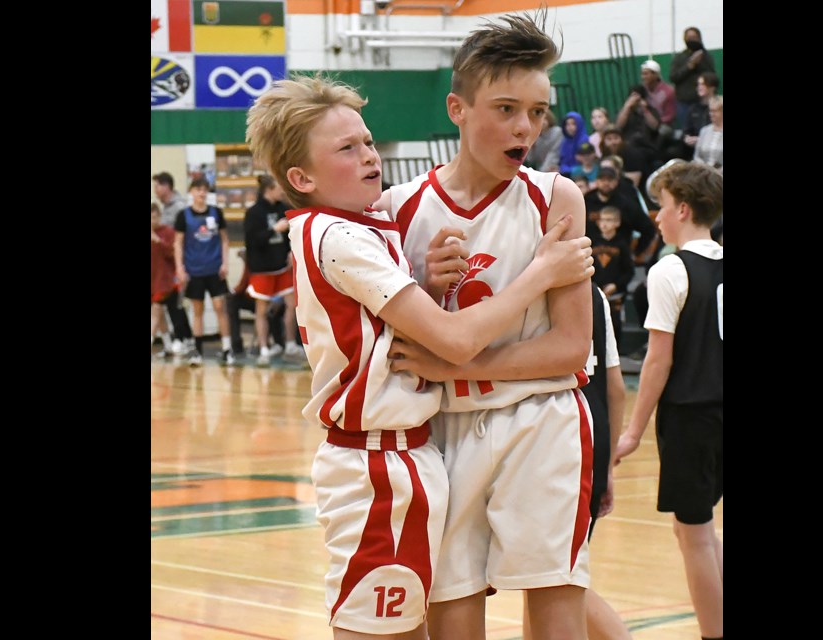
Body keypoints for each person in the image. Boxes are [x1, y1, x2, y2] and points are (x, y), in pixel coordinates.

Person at [244, 72, 595, 639]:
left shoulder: (364, 226)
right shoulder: (341, 235)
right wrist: (542, 273)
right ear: (301, 177)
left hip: (420, 453)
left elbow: (394, 333)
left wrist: (428, 289)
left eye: (368, 141)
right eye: (346, 148)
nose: (368, 155)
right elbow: (452, 342)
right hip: (376, 461)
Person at [379, 11, 609, 639]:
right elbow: (390, 341)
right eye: (506, 108)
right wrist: (426, 287)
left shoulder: (557, 199)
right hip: (441, 434)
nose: (525, 127)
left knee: (557, 604)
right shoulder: (397, 212)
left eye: (537, 112)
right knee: (453, 615)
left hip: (541, 421)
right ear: (457, 107)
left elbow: (569, 349)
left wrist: (457, 364)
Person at [615, 160, 723, 640]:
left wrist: (633, 430)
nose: (655, 217)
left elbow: (657, 362)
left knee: (695, 534)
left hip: (692, 416)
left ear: (681, 208)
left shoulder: (671, 269)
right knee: (693, 532)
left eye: (659, 207)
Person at [523, 283, 631, 640]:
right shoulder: (595, 292)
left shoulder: (526, 283)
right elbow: (615, 387)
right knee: (545, 584)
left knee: (556, 580)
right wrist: (607, 464)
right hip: (593, 437)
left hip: (552, 441)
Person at [242, 174, 305, 366]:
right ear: (269, 189)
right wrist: (274, 230)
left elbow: (293, 235)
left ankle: (290, 345)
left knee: (293, 305)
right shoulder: (254, 213)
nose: (282, 191)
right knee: (261, 310)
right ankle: (263, 349)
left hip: (281, 267)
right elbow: (252, 241)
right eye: (279, 187)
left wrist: (291, 252)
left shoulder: (283, 209)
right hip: (262, 269)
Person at [173, 176, 236, 366]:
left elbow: (225, 239)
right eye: (198, 189)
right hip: (194, 271)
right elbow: (178, 243)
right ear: (191, 192)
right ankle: (197, 352)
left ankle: (227, 349)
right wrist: (180, 268)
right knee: (197, 311)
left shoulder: (216, 212)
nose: (201, 193)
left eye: (204, 190)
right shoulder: (183, 216)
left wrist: (225, 263)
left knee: (220, 308)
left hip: (215, 270)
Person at [153, 171, 194, 352]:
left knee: (175, 302)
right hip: (167, 263)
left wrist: (181, 264)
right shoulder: (165, 207)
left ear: (166, 186)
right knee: (172, 303)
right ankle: (181, 338)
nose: (154, 190)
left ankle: (184, 337)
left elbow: (181, 238)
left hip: (180, 261)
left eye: (156, 186)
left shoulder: (179, 208)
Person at [589, 206, 634, 343]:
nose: (604, 223)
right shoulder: (592, 242)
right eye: (602, 219)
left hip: (615, 295)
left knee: (614, 326)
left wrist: (616, 285)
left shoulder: (622, 245)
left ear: (617, 223)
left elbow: (629, 271)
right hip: (594, 291)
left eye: (609, 220)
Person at [668, 27, 717, 131]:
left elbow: (712, 77)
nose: (691, 40)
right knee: (686, 132)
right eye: (689, 37)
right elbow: (673, 77)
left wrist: (700, 62)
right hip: (684, 102)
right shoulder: (679, 57)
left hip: (703, 102)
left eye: (694, 37)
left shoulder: (706, 56)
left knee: (706, 130)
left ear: (699, 38)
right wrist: (689, 66)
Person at [680, 72, 720, 161]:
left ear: (712, 87)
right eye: (698, 84)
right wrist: (687, 138)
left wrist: (701, 139)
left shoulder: (720, 107)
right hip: (695, 149)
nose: (699, 87)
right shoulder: (693, 108)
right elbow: (686, 131)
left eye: (703, 84)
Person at [525, 108, 563, 172]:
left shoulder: (557, 132)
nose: (542, 122)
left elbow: (553, 154)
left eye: (544, 119)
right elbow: (531, 159)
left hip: (557, 167)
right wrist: (532, 146)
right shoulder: (536, 135)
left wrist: (542, 172)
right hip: (542, 169)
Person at [693, 96, 723, 171]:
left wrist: (717, 173)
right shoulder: (704, 130)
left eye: (715, 111)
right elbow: (697, 156)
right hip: (703, 173)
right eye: (710, 111)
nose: (711, 114)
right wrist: (704, 169)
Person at [558, 110, 591, 176]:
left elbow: (584, 160)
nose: (570, 127)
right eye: (567, 124)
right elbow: (563, 160)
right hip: (566, 172)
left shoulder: (584, 140)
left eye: (573, 124)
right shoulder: (565, 142)